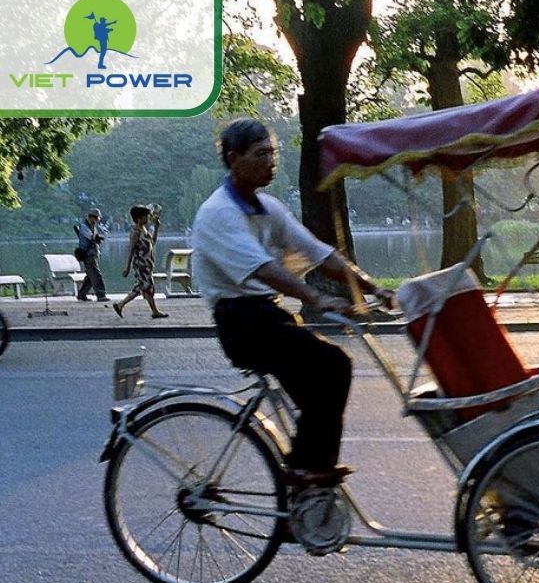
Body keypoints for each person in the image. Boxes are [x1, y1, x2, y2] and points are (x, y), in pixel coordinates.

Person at [191, 119, 396, 487]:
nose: (271, 161)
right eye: (261, 154)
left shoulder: (268, 207)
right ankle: (303, 475)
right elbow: (265, 269)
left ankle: (306, 485)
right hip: (242, 322)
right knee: (334, 366)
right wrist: (317, 297)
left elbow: (317, 252)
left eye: (273, 152)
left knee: (322, 392)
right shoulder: (218, 212)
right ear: (234, 159)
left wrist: (373, 288)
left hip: (269, 316)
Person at [113, 204, 168, 319]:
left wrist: (157, 228)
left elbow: (152, 242)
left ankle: (121, 305)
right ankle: (153, 311)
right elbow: (131, 249)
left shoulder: (144, 229)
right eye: (146, 216)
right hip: (141, 264)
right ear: (139, 218)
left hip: (147, 264)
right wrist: (127, 267)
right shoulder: (136, 231)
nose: (148, 218)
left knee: (142, 287)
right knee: (147, 286)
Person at [73, 208, 109, 302]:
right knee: (96, 275)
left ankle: (82, 294)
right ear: (91, 217)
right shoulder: (84, 226)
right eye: (96, 218)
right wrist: (98, 238)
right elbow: (91, 237)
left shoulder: (93, 226)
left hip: (93, 253)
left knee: (90, 276)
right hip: (87, 254)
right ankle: (101, 294)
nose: (97, 221)